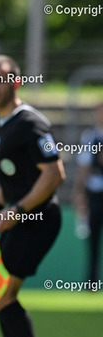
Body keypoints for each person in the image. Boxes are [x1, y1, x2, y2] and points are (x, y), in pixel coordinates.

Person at [0, 55, 65, 337]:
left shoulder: (30, 122)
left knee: (3, 294)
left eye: (1, 78)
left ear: (16, 81)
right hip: (18, 219)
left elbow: (54, 173)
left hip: (38, 219)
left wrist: (18, 210)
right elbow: (10, 180)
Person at [73, 103, 103, 283]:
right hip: (95, 194)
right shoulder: (90, 136)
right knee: (93, 241)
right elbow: (83, 167)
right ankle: (92, 282)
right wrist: (80, 193)